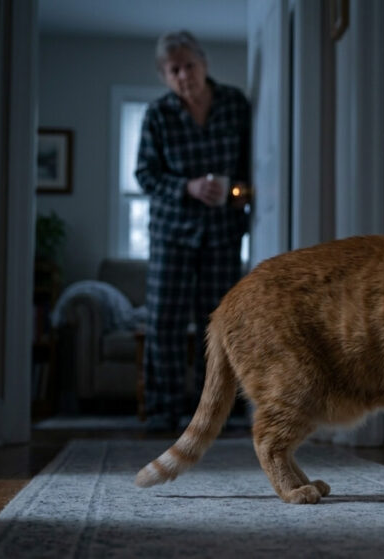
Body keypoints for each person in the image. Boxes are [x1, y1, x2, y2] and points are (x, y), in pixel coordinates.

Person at [135, 30, 251, 431]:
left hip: (223, 232)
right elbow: (145, 175)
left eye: (189, 65)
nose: (184, 74)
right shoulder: (158, 115)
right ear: (165, 76)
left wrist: (244, 191)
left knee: (218, 325)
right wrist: (187, 187)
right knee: (164, 322)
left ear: (204, 64)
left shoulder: (235, 105)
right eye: (174, 69)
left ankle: (215, 411)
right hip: (171, 233)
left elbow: (254, 162)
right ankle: (164, 411)